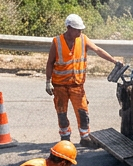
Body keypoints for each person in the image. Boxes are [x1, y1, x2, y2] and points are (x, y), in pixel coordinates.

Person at [45, 14, 122, 148]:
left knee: (82, 112)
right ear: (69, 28)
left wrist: (114, 61)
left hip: (77, 85)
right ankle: (65, 138)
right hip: (60, 85)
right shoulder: (57, 42)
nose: (80, 32)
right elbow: (50, 62)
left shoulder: (83, 39)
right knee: (61, 112)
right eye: (77, 29)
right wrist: (47, 81)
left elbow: (98, 50)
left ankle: (85, 137)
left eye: (81, 29)